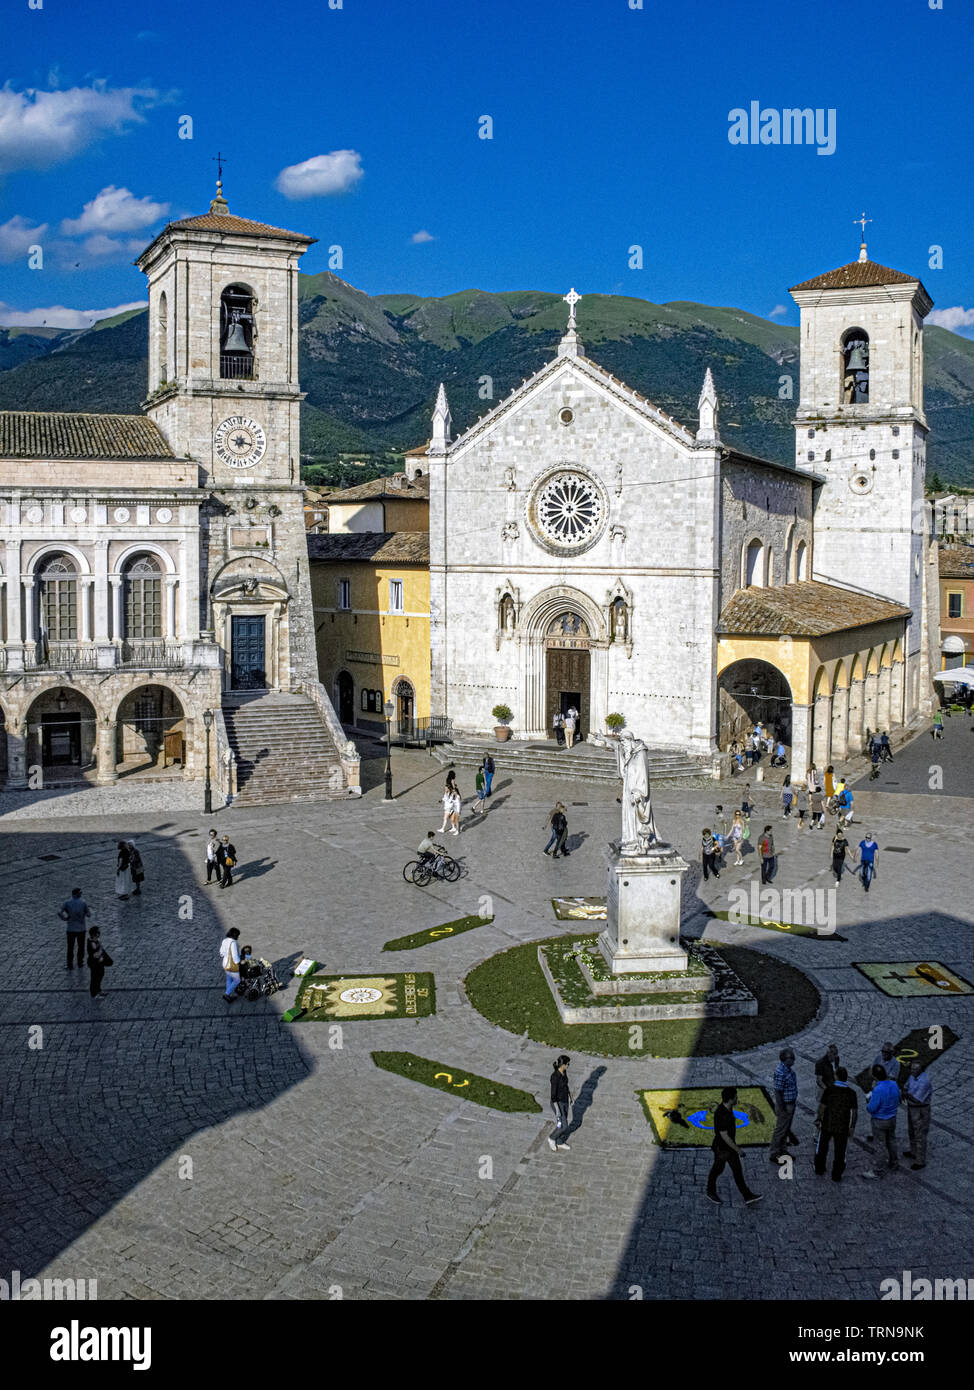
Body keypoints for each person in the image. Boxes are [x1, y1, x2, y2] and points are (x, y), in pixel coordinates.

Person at [705, 1086, 762, 1205]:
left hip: (728, 1149)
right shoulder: (722, 1115)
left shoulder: (727, 1108)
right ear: (730, 1099)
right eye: (736, 1097)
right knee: (717, 1170)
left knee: (737, 1171)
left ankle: (747, 1195)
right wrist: (738, 1150)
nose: (737, 1099)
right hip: (723, 1149)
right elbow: (725, 1136)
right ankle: (710, 1191)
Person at [814, 1066, 857, 1181]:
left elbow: (822, 1107)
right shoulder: (851, 1093)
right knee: (840, 1151)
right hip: (842, 1127)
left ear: (836, 1076)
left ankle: (819, 1169)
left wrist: (818, 1119)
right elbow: (854, 1112)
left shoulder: (829, 1090)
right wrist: (852, 1126)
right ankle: (836, 1175)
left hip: (827, 1124)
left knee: (822, 1147)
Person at [861, 1065, 901, 1179]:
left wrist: (869, 1098)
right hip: (892, 1118)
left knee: (880, 1145)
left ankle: (878, 1171)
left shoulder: (878, 1090)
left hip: (880, 1121)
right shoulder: (894, 1084)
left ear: (875, 1076)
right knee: (891, 1141)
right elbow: (898, 1098)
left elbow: (871, 1108)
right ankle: (894, 1163)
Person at [769, 1047, 800, 1162]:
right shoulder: (780, 1072)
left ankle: (783, 1150)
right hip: (785, 1106)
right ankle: (774, 1153)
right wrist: (782, 1109)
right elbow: (778, 1092)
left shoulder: (788, 1070)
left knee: (786, 1129)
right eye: (791, 1057)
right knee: (780, 1130)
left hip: (790, 1104)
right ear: (785, 1059)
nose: (794, 1060)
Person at [902, 1062, 932, 1171]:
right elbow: (905, 1087)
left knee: (920, 1134)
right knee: (912, 1131)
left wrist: (905, 1094)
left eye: (915, 1070)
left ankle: (920, 1161)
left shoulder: (924, 1082)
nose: (912, 1071)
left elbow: (916, 1099)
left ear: (921, 1071)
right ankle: (913, 1152)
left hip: (920, 1109)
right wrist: (905, 1092)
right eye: (912, 1069)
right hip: (912, 1108)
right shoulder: (912, 1076)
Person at [59, 886, 91, 970]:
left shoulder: (67, 903)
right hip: (81, 928)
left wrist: (65, 918)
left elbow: (59, 912)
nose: (81, 894)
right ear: (77, 894)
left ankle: (70, 965)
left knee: (70, 947)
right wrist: (83, 914)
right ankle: (80, 963)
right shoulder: (83, 903)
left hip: (71, 928)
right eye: (80, 893)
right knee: (81, 946)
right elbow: (89, 914)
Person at [548, 1055, 573, 1151]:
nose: (568, 1065)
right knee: (563, 1125)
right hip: (557, 1103)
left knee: (563, 1123)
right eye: (567, 1064)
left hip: (565, 1101)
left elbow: (566, 1086)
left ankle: (559, 1142)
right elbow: (553, 1096)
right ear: (562, 1065)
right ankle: (552, 1138)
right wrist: (558, 1110)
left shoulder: (564, 1072)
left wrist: (570, 1096)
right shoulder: (555, 1077)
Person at [86, 925, 112, 1000]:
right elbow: (95, 955)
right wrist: (101, 952)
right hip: (94, 963)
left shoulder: (96, 940)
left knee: (100, 975)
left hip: (100, 962)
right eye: (98, 932)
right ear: (94, 933)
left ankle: (98, 990)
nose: (99, 933)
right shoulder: (91, 943)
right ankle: (94, 993)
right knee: (94, 977)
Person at [220, 927, 242, 1003]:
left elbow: (221, 953)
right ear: (235, 935)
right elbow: (235, 956)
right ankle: (227, 994)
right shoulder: (233, 943)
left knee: (229, 979)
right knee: (237, 980)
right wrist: (240, 963)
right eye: (238, 935)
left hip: (225, 964)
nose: (238, 937)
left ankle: (228, 995)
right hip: (231, 965)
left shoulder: (224, 940)